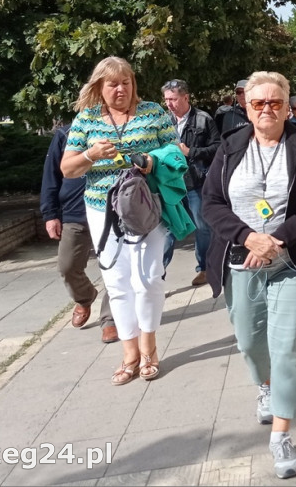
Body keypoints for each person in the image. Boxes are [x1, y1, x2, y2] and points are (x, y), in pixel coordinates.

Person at [202, 72, 296, 479]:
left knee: (288, 346)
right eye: (259, 104)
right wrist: (247, 238)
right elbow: (212, 203)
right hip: (241, 261)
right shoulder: (231, 146)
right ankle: (267, 387)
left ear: (287, 104)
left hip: (291, 262)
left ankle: (281, 435)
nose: (268, 110)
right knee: (249, 341)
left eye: (276, 103)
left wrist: (277, 240)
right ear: (247, 106)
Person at [60, 56, 178, 386]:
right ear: (99, 87)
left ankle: (149, 349)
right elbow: (68, 168)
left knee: (149, 278)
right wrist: (91, 156)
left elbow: (177, 150)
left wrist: (152, 160)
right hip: (103, 209)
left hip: (146, 205)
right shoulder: (86, 119)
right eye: (113, 83)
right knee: (117, 282)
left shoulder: (153, 112)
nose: (121, 88)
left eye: (126, 82)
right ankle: (129, 354)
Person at [40, 123, 117, 344]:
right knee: (67, 265)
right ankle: (85, 297)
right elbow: (51, 175)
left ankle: (110, 320)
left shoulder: (119, 129)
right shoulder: (66, 133)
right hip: (75, 213)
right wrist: (50, 214)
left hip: (110, 211)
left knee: (114, 267)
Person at [161, 78, 221, 287]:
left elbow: (218, 148)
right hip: (171, 185)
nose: (169, 103)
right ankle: (158, 274)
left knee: (202, 226)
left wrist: (191, 152)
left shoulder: (203, 119)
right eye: (167, 99)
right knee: (168, 229)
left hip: (196, 182)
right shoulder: (163, 121)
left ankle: (204, 268)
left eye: (173, 99)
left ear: (186, 97)